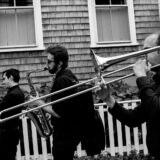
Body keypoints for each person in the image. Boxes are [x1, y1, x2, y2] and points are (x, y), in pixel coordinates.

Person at [31, 44, 105, 160]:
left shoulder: (62, 80)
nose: (47, 64)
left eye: (49, 61)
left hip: (64, 134)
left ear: (59, 63)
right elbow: (68, 107)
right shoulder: (68, 75)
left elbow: (59, 113)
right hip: (70, 132)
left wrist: (39, 102)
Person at [96, 31, 160, 159]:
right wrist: (109, 99)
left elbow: (157, 110)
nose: (142, 56)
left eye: (147, 50)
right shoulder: (156, 82)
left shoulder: (150, 83)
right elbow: (133, 119)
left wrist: (142, 77)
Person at [0, 68, 25, 160]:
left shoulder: (13, 94)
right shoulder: (16, 92)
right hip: (10, 132)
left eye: (4, 79)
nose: (3, 82)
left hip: (7, 133)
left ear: (10, 77)